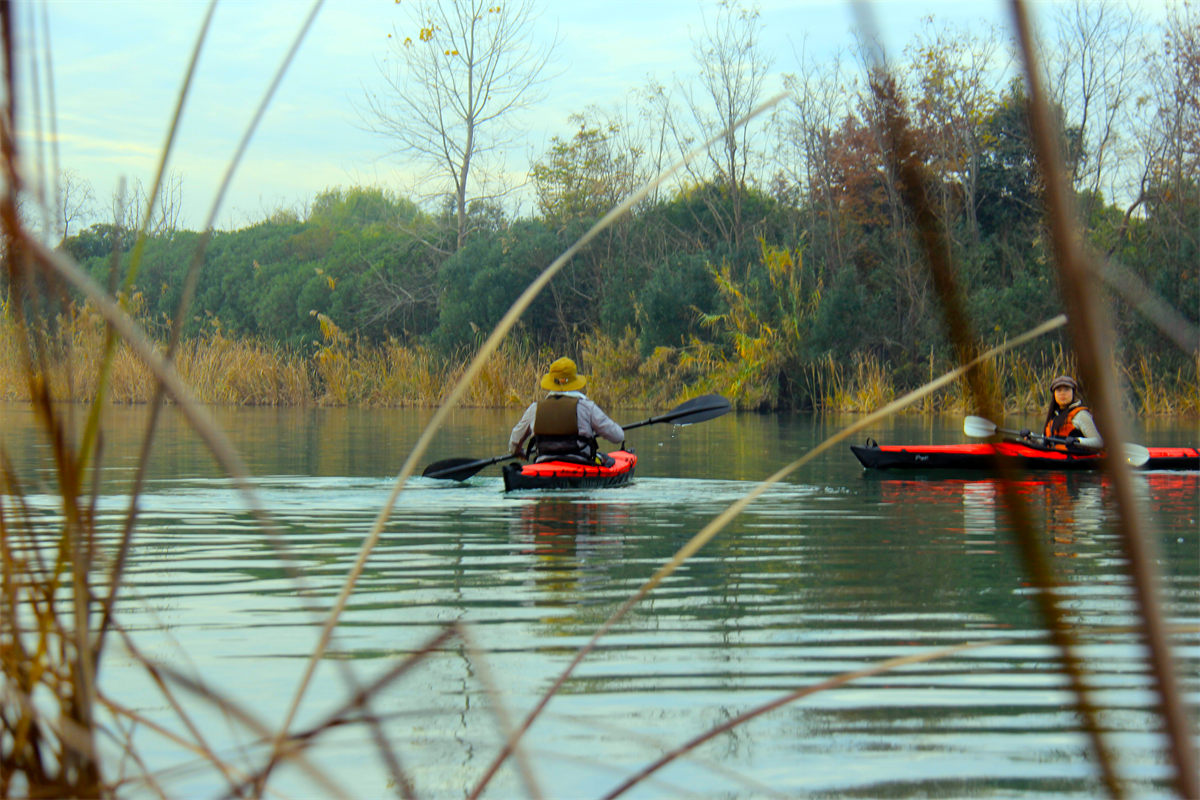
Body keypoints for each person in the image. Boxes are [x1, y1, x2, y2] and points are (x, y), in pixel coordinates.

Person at [508, 357, 625, 465]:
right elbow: (617, 436)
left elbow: (514, 442)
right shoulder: (586, 407)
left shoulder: (535, 409)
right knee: (606, 460)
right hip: (580, 464)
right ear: (574, 381)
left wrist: (518, 452)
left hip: (544, 464)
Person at [1022, 375, 1103, 451]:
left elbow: (1099, 442)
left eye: (1066, 389)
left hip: (1075, 460)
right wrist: (1031, 436)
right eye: (1058, 390)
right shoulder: (1054, 416)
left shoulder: (1081, 415)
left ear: (1073, 393)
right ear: (1054, 394)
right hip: (1055, 458)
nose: (1062, 393)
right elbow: (1045, 441)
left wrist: (1078, 441)